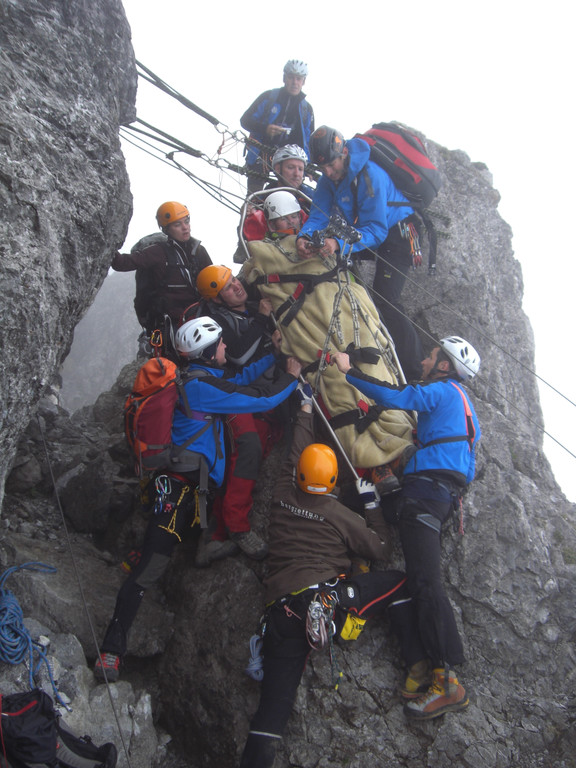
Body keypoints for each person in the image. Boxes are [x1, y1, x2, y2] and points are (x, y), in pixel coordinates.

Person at [94, 317, 301, 683]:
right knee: (151, 569)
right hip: (180, 491)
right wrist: (292, 375)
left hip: (182, 486)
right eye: (220, 345)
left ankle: (149, 551)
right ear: (208, 351)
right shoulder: (202, 389)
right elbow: (261, 396)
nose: (226, 349)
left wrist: (272, 353)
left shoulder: (196, 379)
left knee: (162, 548)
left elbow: (238, 381)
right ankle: (112, 650)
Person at [239, 390, 427, 767]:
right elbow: (380, 548)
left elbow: (297, 451)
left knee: (269, 718)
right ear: (332, 482)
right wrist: (371, 505)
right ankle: (417, 664)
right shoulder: (339, 514)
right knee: (400, 582)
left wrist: (306, 409)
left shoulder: (281, 492)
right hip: (325, 599)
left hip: (279, 615)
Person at [331, 335, 481, 720]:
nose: (426, 359)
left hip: (424, 495)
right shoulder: (465, 408)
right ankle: (424, 671)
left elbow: (397, 397)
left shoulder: (443, 391)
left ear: (445, 366)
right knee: (369, 509)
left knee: (425, 581)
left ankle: (445, 677)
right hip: (436, 497)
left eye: (433, 356)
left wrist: (350, 373)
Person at [240, 190, 417, 496]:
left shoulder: (323, 238)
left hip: (347, 309)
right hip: (311, 321)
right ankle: (376, 463)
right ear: (271, 223)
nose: (289, 224)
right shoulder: (265, 252)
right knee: (338, 381)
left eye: (293, 217)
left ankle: (402, 440)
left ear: (301, 216)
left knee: (375, 366)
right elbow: (253, 272)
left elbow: (352, 244)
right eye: (282, 220)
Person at [296, 126, 424, 381]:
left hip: (398, 232)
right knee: (335, 263)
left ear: (343, 152)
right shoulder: (328, 179)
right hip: (366, 231)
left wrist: (339, 243)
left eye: (332, 165)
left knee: (386, 298)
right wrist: (305, 237)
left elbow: (376, 230)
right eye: (324, 169)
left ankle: (414, 373)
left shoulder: (369, 176)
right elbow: (319, 215)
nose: (329, 173)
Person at [194, 265, 284, 563]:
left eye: (234, 280)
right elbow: (238, 356)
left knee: (260, 445)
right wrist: (260, 319)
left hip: (256, 391)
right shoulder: (218, 320)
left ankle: (224, 522)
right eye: (227, 287)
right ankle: (234, 527)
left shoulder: (251, 301)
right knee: (247, 445)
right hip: (231, 393)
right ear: (217, 298)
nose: (236, 286)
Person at [111, 201, 211, 346]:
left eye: (186, 221)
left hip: (200, 317)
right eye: (177, 225)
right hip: (172, 325)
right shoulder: (158, 252)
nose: (185, 227)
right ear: (167, 229)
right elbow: (123, 263)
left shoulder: (199, 251)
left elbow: (212, 281)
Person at [241, 60, 314, 194]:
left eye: (298, 79)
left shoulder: (306, 109)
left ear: (304, 81)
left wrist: (308, 166)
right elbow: (245, 120)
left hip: (291, 161)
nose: (294, 82)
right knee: (254, 197)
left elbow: (309, 140)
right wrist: (265, 129)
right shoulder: (268, 97)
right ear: (284, 78)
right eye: (291, 77)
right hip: (261, 155)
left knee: (291, 198)